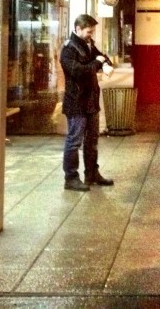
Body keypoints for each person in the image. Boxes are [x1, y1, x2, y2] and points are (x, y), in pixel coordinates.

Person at [60, 14, 115, 191]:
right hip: (76, 102)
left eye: (92, 31)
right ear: (78, 29)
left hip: (91, 101)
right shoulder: (69, 49)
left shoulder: (88, 45)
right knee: (74, 141)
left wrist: (105, 64)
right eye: (89, 31)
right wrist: (97, 63)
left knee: (92, 140)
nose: (91, 34)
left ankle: (92, 174)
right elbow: (78, 71)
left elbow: (102, 57)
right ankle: (71, 178)